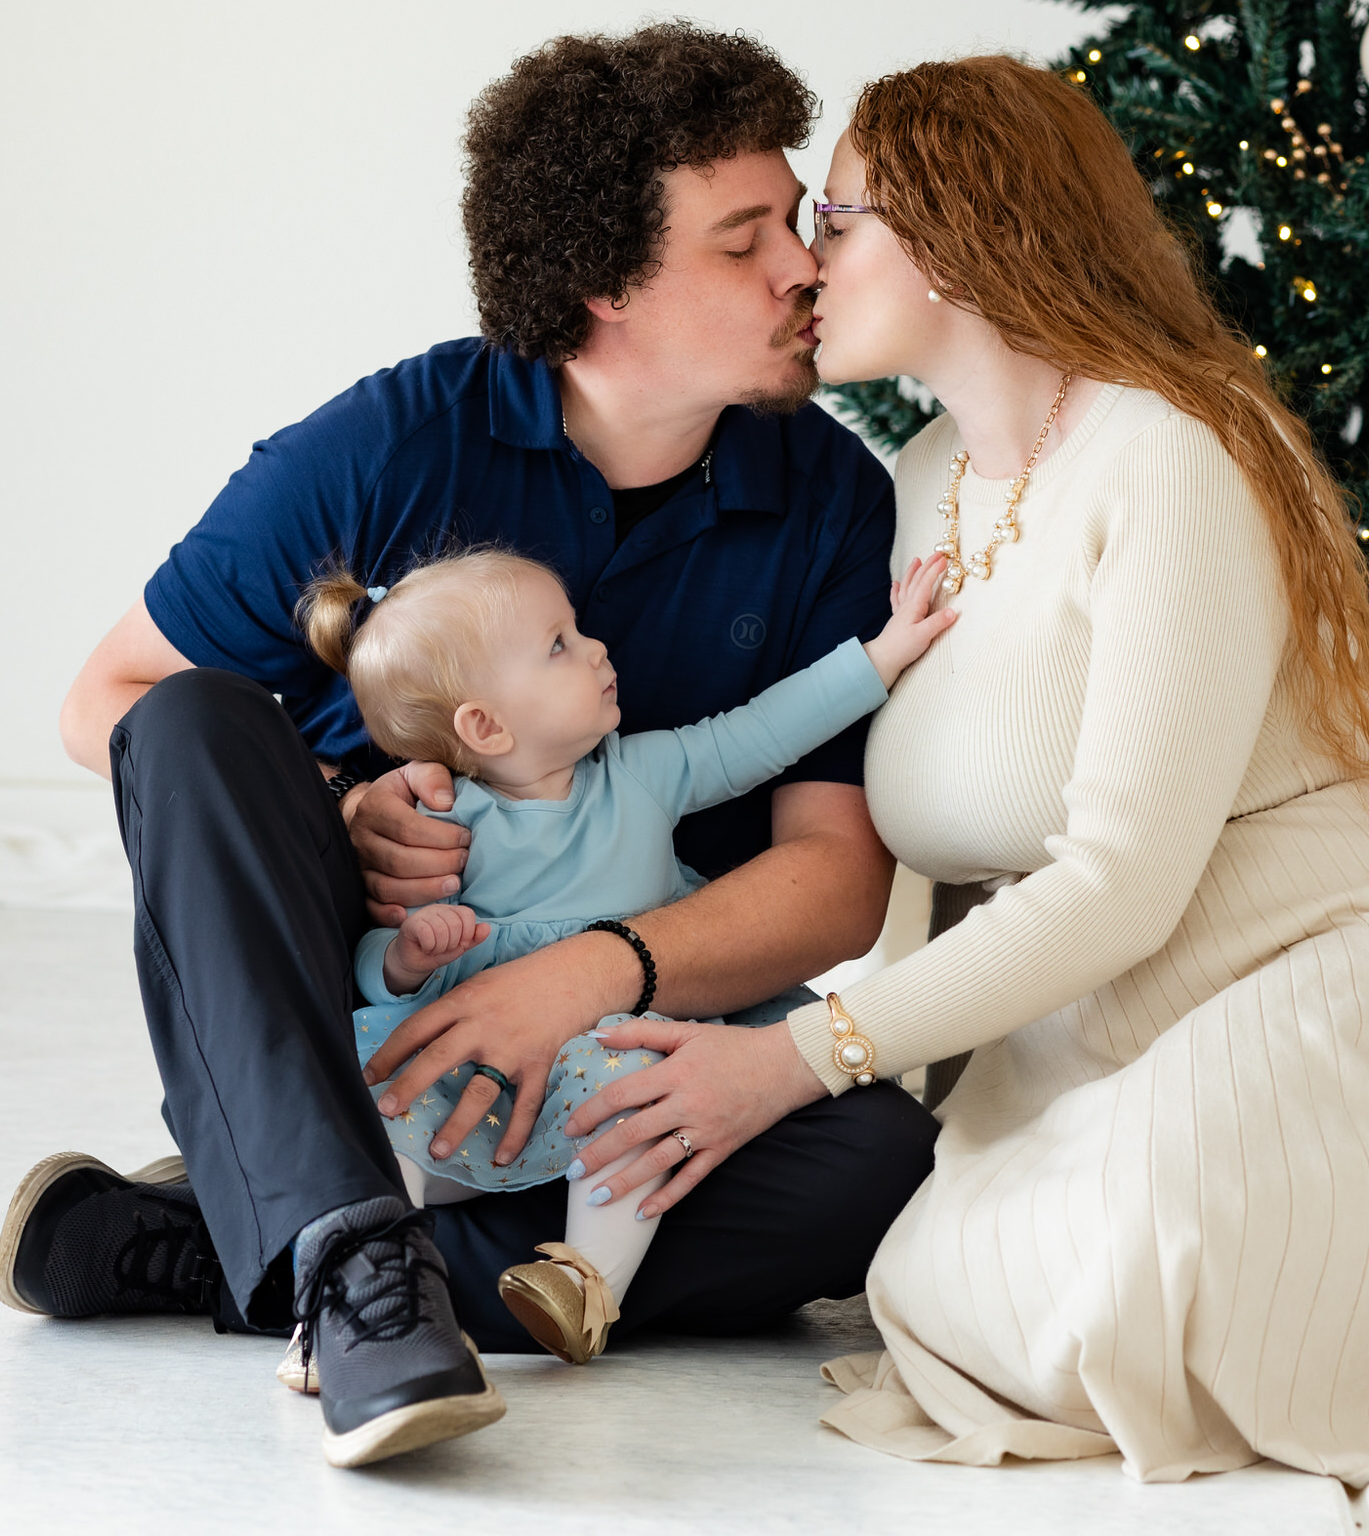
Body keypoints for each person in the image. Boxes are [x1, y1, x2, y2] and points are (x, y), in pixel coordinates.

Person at [520, 56, 1369, 1484]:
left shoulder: (1175, 450)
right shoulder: (920, 481)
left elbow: (1121, 876)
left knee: (1159, 1258)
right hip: (1095, 1036)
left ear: (958, 241)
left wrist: (799, 1057)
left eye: (837, 221)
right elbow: (938, 866)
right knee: (936, 1282)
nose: (804, 265)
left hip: (1331, 970)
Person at [0, 23, 940, 1469]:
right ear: (602, 284)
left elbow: (834, 879)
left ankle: (245, 1238)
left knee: (874, 1165)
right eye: (743, 240)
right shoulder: (387, 443)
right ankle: (351, 1244)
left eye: (795, 224)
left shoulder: (830, 497)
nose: (802, 268)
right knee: (191, 718)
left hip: (631, 1022)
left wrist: (591, 969)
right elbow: (102, 698)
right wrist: (341, 802)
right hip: (376, 986)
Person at [290, 544, 953, 1365]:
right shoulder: (445, 825)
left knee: (638, 1097)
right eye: (559, 644)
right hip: (494, 1072)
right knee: (375, 1075)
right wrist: (410, 955)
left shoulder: (642, 773)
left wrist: (882, 655)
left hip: (617, 1044)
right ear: (485, 725)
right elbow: (388, 970)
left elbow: (762, 732)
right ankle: (361, 1267)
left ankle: (585, 1287)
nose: (598, 647)